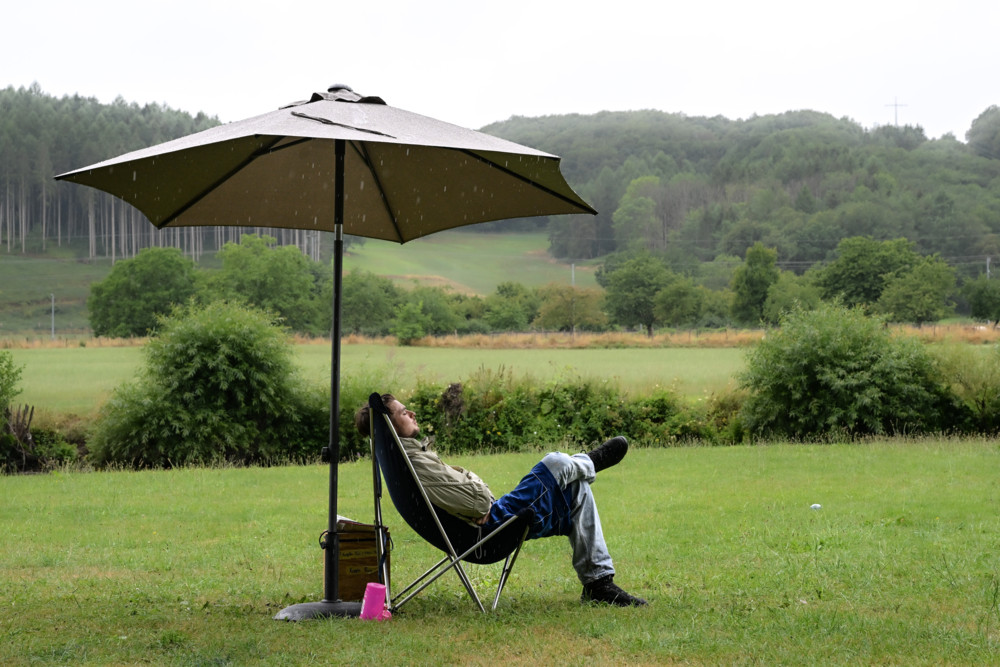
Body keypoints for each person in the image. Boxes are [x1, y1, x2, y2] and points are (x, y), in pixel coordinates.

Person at [355, 393, 647, 607]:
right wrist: (477, 484)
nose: (413, 414)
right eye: (405, 413)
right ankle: (591, 462)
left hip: (483, 523)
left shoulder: (401, 458)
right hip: (489, 531)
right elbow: (482, 502)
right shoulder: (415, 463)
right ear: (390, 425)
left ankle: (598, 584)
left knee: (576, 489)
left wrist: (473, 484)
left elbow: (470, 491)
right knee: (556, 463)